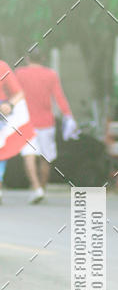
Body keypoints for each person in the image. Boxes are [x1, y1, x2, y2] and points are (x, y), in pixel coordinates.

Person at [15, 48, 77, 203]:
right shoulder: (51, 75)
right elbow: (59, 96)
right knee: (45, 158)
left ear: (28, 58)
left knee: (28, 155)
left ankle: (36, 188)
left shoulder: (20, 74)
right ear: (42, 59)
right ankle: (41, 189)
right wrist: (68, 115)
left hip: (26, 122)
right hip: (46, 123)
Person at [0, 59, 38, 203]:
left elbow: (19, 93)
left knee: (1, 148)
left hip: (3, 115)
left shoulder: (2, 67)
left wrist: (9, 104)